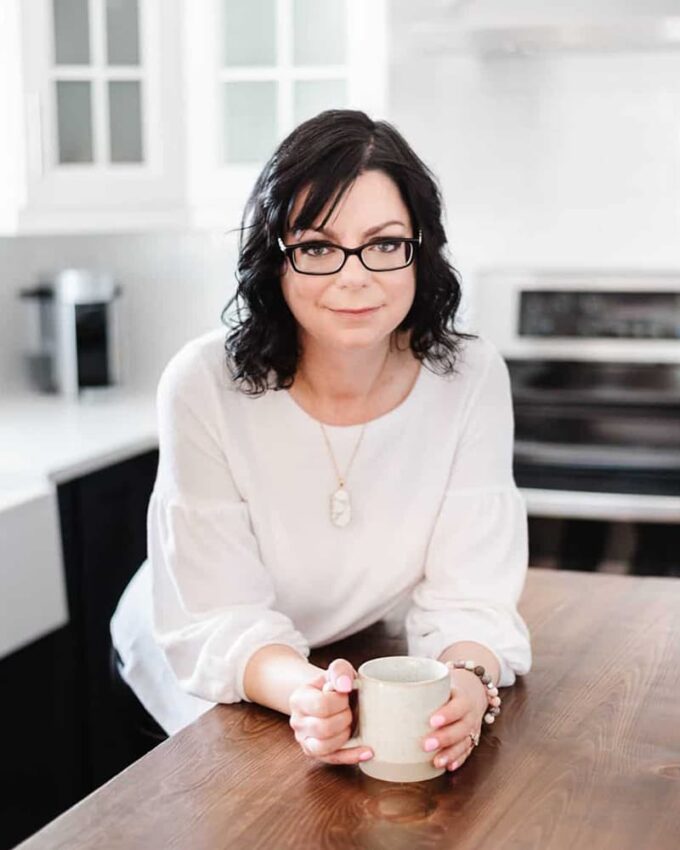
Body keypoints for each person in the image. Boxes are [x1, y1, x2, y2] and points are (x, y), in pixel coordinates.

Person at [111, 109, 532, 774]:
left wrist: (469, 683)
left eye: (385, 242)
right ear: (274, 259)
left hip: (347, 646)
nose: (354, 276)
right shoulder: (202, 384)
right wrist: (311, 692)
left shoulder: (470, 379)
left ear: (422, 248)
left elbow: (469, 594)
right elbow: (218, 615)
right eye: (315, 246)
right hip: (205, 654)